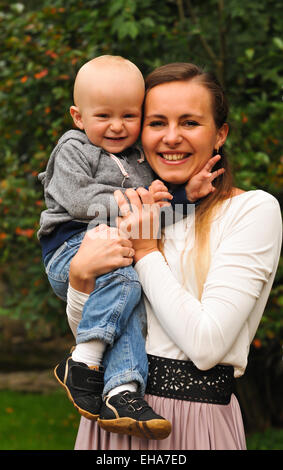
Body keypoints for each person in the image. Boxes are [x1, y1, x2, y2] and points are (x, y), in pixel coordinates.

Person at [68, 62, 282, 450]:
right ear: (138, 131)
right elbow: (95, 335)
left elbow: (206, 346)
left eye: (189, 123)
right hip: (112, 418)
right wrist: (80, 280)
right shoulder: (130, 209)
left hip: (195, 423)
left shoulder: (252, 211)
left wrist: (147, 251)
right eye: (157, 123)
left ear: (220, 134)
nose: (171, 138)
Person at [37, 56, 221, 440]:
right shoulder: (73, 148)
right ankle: (83, 361)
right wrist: (136, 196)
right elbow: (75, 199)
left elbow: (154, 220)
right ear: (78, 116)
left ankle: (122, 390)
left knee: (128, 300)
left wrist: (186, 196)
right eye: (104, 115)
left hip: (113, 251)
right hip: (70, 244)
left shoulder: (139, 158)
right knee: (126, 280)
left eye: (129, 116)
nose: (118, 126)